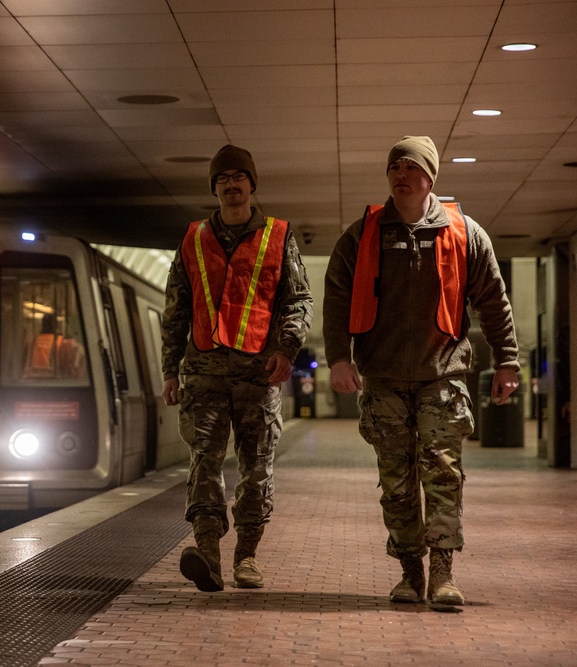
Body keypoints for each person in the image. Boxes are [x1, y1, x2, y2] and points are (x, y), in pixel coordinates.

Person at [323, 136, 520, 607]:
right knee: (395, 479)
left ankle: (443, 575)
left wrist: (507, 359)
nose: (401, 175)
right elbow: (336, 299)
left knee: (443, 474)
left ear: (430, 177)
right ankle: (410, 572)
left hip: (443, 375)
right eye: (394, 167)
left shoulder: (465, 233)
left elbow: (493, 301)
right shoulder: (362, 234)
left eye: (411, 167)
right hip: (384, 377)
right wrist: (338, 357)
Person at [161, 144, 313, 592]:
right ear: (214, 187)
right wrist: (171, 369)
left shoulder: (278, 235)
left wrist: (287, 350)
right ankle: (207, 553)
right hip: (204, 372)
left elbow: (298, 299)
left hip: (258, 372)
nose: (231, 184)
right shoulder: (192, 238)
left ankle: (247, 556)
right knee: (204, 462)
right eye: (223, 178)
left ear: (251, 184)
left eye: (238, 177)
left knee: (256, 466)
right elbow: (176, 309)